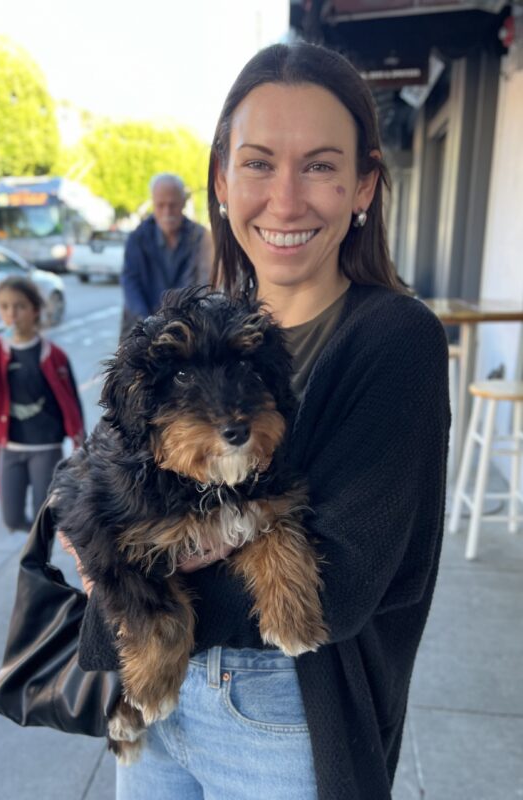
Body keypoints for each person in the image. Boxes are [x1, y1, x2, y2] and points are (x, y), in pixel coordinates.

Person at [64, 42, 450, 800]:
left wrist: (141, 570)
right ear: (221, 178)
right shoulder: (204, 321)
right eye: (259, 162)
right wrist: (99, 540)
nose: (285, 198)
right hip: (152, 704)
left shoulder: (394, 338)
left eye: (321, 165)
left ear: (364, 184)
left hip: (285, 711)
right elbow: (100, 467)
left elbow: (337, 589)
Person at [0, 276, 84, 532]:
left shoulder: (54, 355)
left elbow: (71, 400)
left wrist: (79, 439)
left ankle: (38, 555)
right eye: (4, 307)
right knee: (11, 518)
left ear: (35, 311)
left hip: (45, 445)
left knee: (44, 513)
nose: (11, 314)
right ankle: (36, 542)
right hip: (10, 445)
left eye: (19, 306)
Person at [120, 173, 213, 334]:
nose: (167, 212)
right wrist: (147, 323)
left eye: (173, 205)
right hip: (142, 324)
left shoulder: (200, 238)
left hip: (188, 328)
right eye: (160, 205)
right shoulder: (137, 238)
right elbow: (130, 282)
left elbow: (205, 282)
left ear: (183, 203)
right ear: (153, 204)